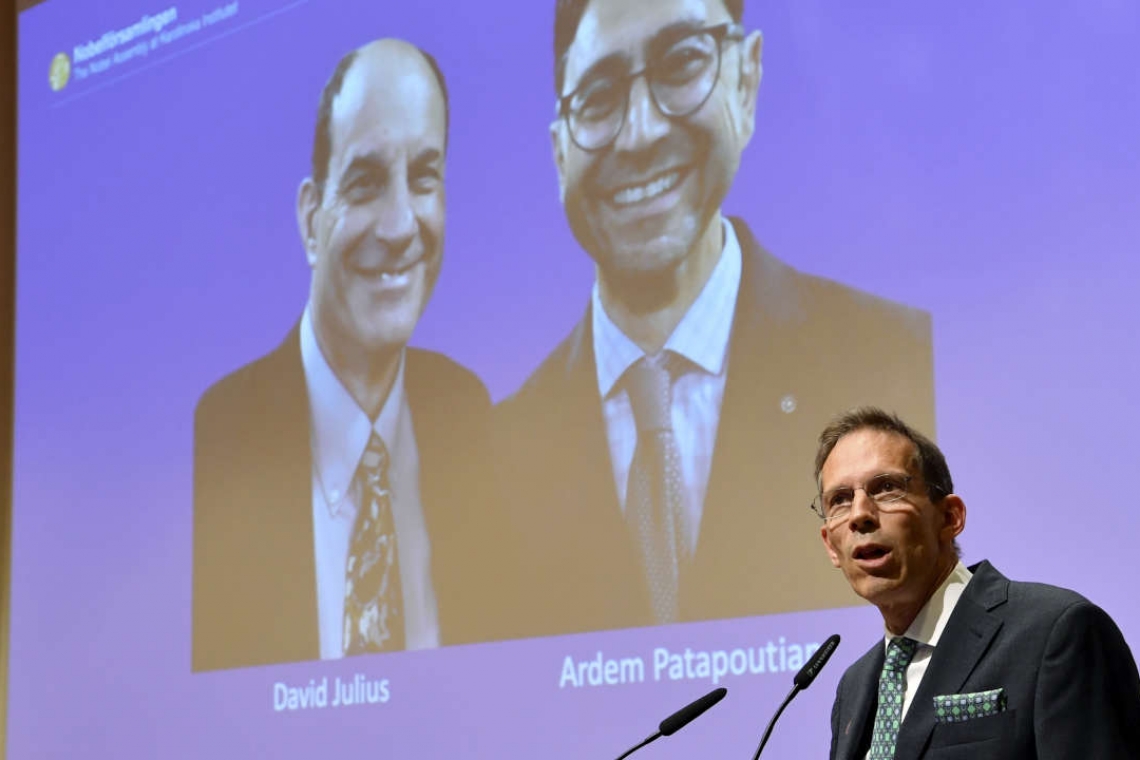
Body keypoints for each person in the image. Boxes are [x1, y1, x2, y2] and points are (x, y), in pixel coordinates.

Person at [494, 0, 935, 639]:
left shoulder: (894, 350)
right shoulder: (504, 442)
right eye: (597, 97)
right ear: (560, 149)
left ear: (746, 78)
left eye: (681, 65)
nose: (640, 132)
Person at [192, 39, 503, 671]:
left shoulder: (470, 414)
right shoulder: (223, 436)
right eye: (364, 184)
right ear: (311, 220)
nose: (398, 226)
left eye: (423, 179)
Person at [815, 407, 1140, 758]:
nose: (860, 514)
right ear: (831, 545)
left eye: (887, 488)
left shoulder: (1055, 632)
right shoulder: (855, 686)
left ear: (950, 517)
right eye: (840, 500)